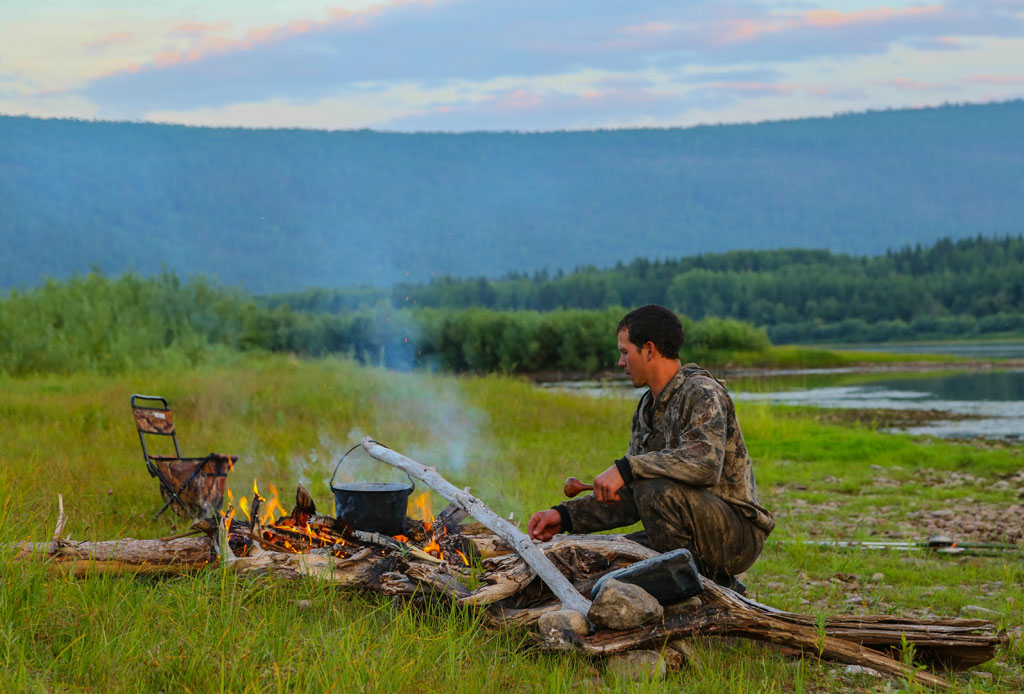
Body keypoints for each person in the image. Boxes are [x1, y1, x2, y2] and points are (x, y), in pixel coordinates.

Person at [527, 304, 774, 590]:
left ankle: (698, 591)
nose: (621, 362)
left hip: (736, 538)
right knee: (601, 552)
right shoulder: (647, 407)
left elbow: (705, 463)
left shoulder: (702, 392)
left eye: (624, 351)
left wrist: (628, 467)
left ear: (648, 350)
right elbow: (633, 497)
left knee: (652, 489)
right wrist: (565, 516)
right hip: (689, 529)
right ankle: (702, 582)